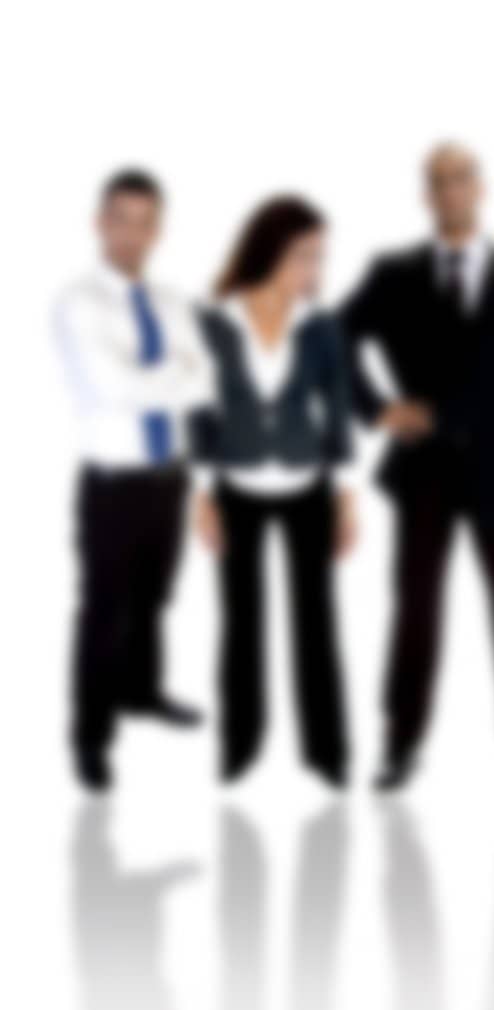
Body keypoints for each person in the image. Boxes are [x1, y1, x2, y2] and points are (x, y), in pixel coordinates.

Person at [341, 143, 494, 790]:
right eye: (437, 182)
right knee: (415, 609)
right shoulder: (393, 272)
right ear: (425, 195)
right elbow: (331, 339)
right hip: (425, 467)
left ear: (481, 187)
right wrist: (378, 407)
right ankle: (399, 744)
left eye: (461, 178)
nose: (450, 191)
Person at [56, 168, 212, 791]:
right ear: (99, 222)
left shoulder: (172, 303)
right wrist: (173, 375)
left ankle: (142, 694)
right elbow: (113, 387)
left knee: (155, 598)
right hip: (113, 485)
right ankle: (90, 738)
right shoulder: (78, 303)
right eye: (119, 218)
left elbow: (204, 380)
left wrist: (169, 377)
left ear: (158, 230)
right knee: (103, 612)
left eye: (143, 222)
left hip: (168, 478)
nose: (130, 234)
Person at [190, 196, 354, 789]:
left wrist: (347, 497)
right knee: (241, 622)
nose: (316, 271)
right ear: (273, 252)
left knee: (316, 619)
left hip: (307, 482)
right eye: (306, 257)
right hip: (237, 485)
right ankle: (240, 744)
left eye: (320, 258)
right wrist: (202, 494)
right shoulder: (214, 322)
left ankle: (327, 751)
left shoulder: (322, 326)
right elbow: (200, 413)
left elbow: (337, 412)